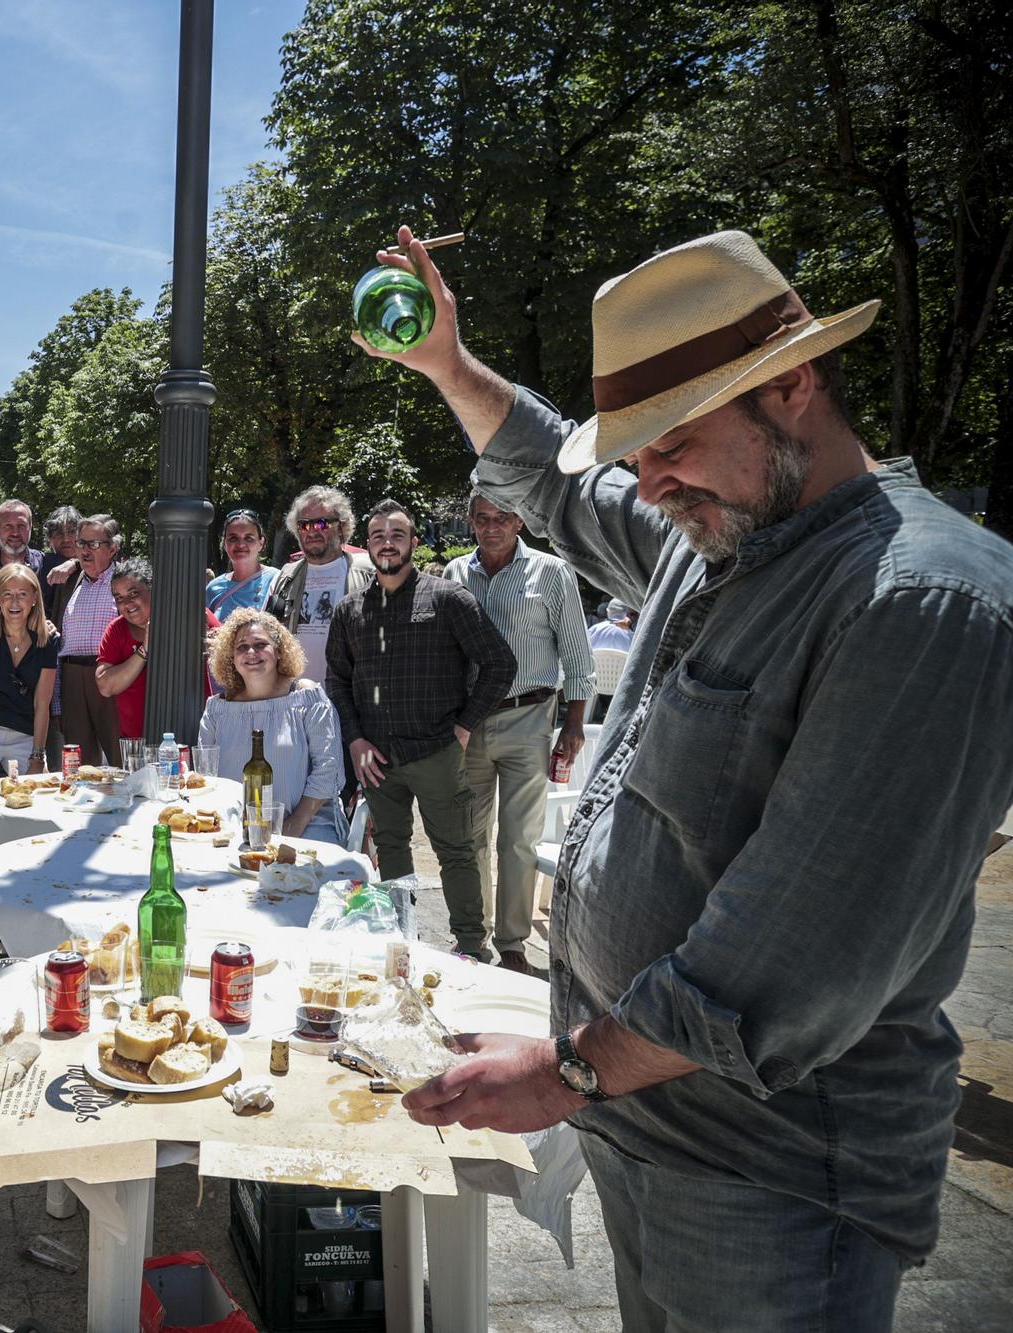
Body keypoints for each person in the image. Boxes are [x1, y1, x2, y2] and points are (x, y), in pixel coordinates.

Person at [364, 227, 1013, 1329]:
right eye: (636, 450)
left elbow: (791, 955)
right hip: (654, 1130)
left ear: (792, 383)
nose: (645, 478)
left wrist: (564, 1074)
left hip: (768, 1184)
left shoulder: (916, 599)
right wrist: (446, 364)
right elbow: (561, 488)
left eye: (666, 439)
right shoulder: (719, 529)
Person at [326, 499, 515, 957]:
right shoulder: (351, 610)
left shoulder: (448, 599)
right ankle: (398, 938)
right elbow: (338, 680)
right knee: (390, 847)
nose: (386, 543)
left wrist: (466, 727)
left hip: (437, 749)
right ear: (366, 547)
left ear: (413, 542)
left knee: (456, 850)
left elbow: (499, 664)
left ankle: (471, 945)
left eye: (396, 535)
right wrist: (355, 740)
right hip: (377, 758)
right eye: (377, 536)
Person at [444, 490, 595, 974]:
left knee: (518, 838)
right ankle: (471, 937)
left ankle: (512, 945)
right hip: (469, 722)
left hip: (529, 716)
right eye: (482, 518)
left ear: (521, 522)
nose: (492, 526)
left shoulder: (550, 573)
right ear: (470, 522)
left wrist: (573, 723)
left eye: (503, 518)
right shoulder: (454, 574)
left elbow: (577, 656)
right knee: (468, 836)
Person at [198, 609, 346, 841]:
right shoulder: (217, 709)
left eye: (260, 644)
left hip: (307, 825)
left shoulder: (306, 696)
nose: (251, 652)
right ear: (231, 658)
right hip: (234, 828)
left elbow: (328, 769)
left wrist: (294, 825)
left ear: (278, 651)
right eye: (241, 647)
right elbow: (205, 774)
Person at [95, 558, 219, 744]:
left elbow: (230, 655)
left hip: (195, 739)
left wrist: (206, 641)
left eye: (133, 593)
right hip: (138, 745)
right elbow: (105, 686)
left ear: (155, 590)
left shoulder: (192, 614)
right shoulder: (116, 630)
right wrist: (145, 650)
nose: (127, 604)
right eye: (119, 598)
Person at [263, 486, 375, 685]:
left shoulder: (368, 572)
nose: (312, 530)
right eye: (304, 525)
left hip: (351, 698)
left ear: (341, 527)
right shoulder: (286, 576)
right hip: (296, 700)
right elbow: (268, 634)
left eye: (322, 523)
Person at [0, 563, 60, 777]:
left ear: (34, 598)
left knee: (34, 795)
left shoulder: (48, 641)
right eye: (7, 594)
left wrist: (37, 756)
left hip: (25, 733)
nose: (14, 602)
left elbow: (42, 704)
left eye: (22, 594)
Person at [51, 513, 124, 766]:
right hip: (72, 679)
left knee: (120, 761)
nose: (84, 550)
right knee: (78, 766)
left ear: (113, 549)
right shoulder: (69, 581)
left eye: (94, 544)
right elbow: (60, 644)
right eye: (81, 543)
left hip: (112, 677)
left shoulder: (126, 582)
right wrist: (58, 702)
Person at [206, 508, 279, 618]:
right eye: (233, 538)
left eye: (248, 538)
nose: (240, 544)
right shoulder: (213, 588)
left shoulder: (277, 580)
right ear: (225, 543)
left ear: (261, 543)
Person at [0, 499, 48, 572]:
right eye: (8, 526)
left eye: (21, 525)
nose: (15, 533)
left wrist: (69, 564)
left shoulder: (46, 564)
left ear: (30, 527)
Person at [43, 505, 82, 571]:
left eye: (72, 532)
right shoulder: (40, 567)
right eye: (59, 533)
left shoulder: (97, 567)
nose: (66, 539)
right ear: (49, 538)